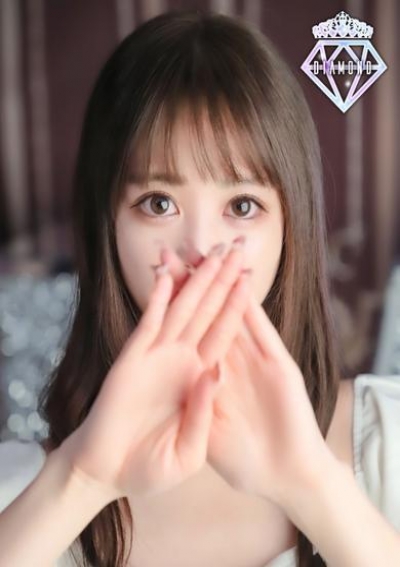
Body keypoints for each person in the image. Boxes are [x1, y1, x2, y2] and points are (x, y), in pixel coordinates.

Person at [0, 9, 399, 567]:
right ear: (106, 227)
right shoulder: (25, 495)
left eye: (243, 206)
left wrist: (310, 484)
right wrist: (84, 480)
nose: (201, 251)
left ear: (292, 229)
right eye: (158, 203)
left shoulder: (386, 441)